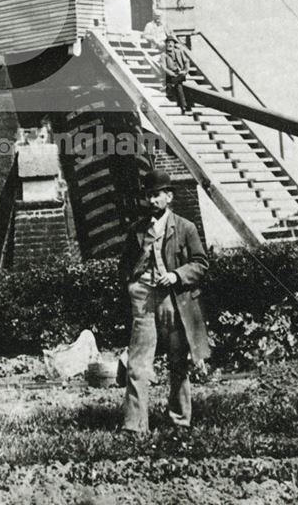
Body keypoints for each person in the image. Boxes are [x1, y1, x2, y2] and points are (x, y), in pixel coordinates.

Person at [120, 168, 210, 434]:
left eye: (157, 195)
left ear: (169, 196)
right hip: (143, 298)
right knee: (138, 362)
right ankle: (135, 426)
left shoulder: (185, 228)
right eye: (148, 196)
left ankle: (180, 420)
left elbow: (200, 263)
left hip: (173, 299)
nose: (152, 201)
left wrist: (175, 275)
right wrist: (133, 285)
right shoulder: (137, 230)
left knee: (177, 360)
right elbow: (124, 265)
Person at [159, 35, 190, 113]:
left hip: (180, 74)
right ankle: (183, 106)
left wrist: (185, 70)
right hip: (171, 76)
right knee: (179, 86)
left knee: (181, 77)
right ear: (165, 44)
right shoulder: (163, 55)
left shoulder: (179, 52)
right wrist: (172, 74)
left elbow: (186, 61)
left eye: (171, 43)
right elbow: (164, 68)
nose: (169, 45)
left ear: (174, 44)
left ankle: (171, 85)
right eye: (168, 43)